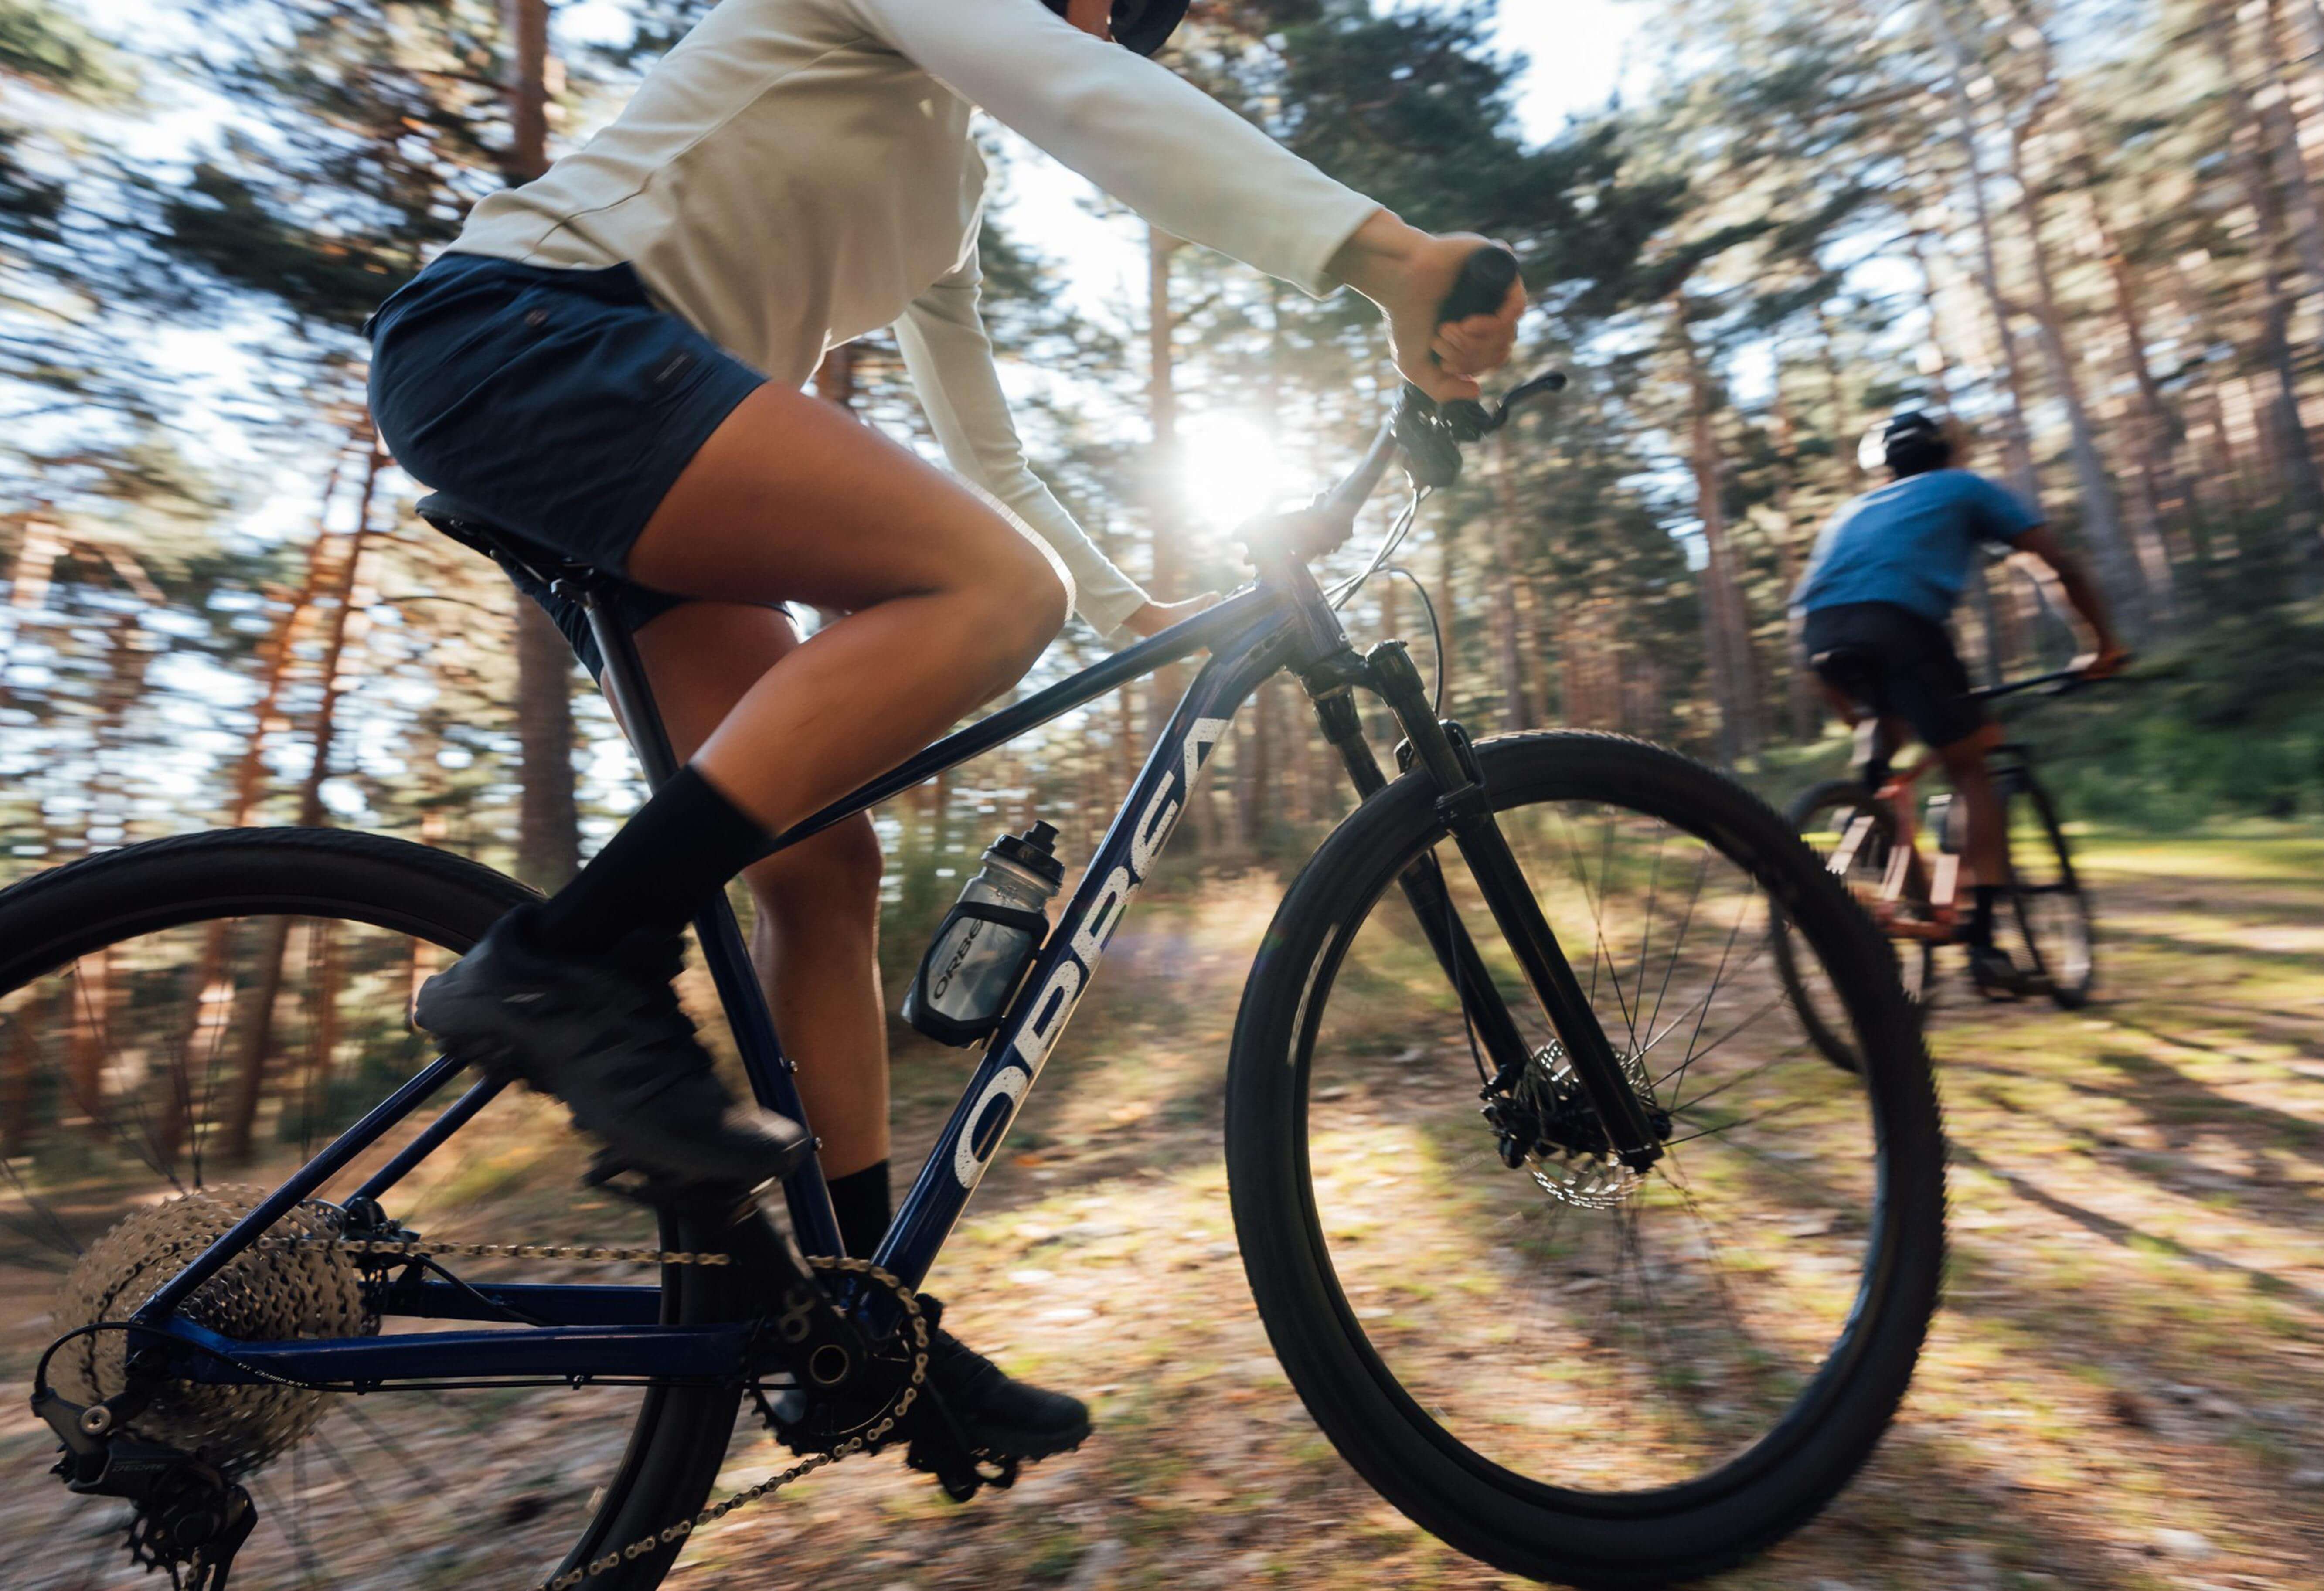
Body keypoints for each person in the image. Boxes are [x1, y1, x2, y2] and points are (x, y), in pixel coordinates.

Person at [364, 0, 1523, 1466]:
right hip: (529, 339)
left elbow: (991, 456)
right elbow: (1081, 101)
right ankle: (565, 961)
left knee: (818, 867)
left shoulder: (943, 196)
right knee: (988, 591)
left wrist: (1131, 608)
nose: (1115, 19)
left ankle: (855, 1326)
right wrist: (1389, 258)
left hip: (619, 422)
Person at [1792, 410, 2126, 992]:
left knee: (1883, 746)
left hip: (1818, 634)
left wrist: (1867, 720)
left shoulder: (1852, 510)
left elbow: (1822, 597)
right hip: (1899, 626)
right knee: (1970, 764)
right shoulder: (1963, 487)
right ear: (1946, 452)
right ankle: (1983, 943)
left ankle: (1869, 822)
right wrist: (2102, 645)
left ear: (1884, 468)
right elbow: (2057, 565)